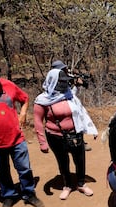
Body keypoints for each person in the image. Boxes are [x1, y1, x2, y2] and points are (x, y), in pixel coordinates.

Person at [33, 68, 98, 200]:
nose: (64, 84)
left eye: (65, 82)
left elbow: (81, 112)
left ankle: (81, 183)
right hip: (55, 136)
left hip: (75, 134)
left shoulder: (69, 94)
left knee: (80, 160)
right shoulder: (42, 100)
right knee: (63, 161)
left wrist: (91, 129)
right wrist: (42, 142)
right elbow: (38, 122)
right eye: (61, 82)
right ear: (54, 82)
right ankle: (67, 185)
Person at [0, 67, 44, 207]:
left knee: (24, 168)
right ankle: (9, 195)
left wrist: (23, 113)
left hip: (16, 138)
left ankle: (29, 193)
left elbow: (24, 98)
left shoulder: (8, 85)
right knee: (1, 171)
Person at [51, 60, 92, 151]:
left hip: (70, 103)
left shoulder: (68, 78)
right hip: (60, 105)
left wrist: (76, 85)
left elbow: (71, 93)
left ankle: (80, 142)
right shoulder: (54, 80)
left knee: (77, 121)